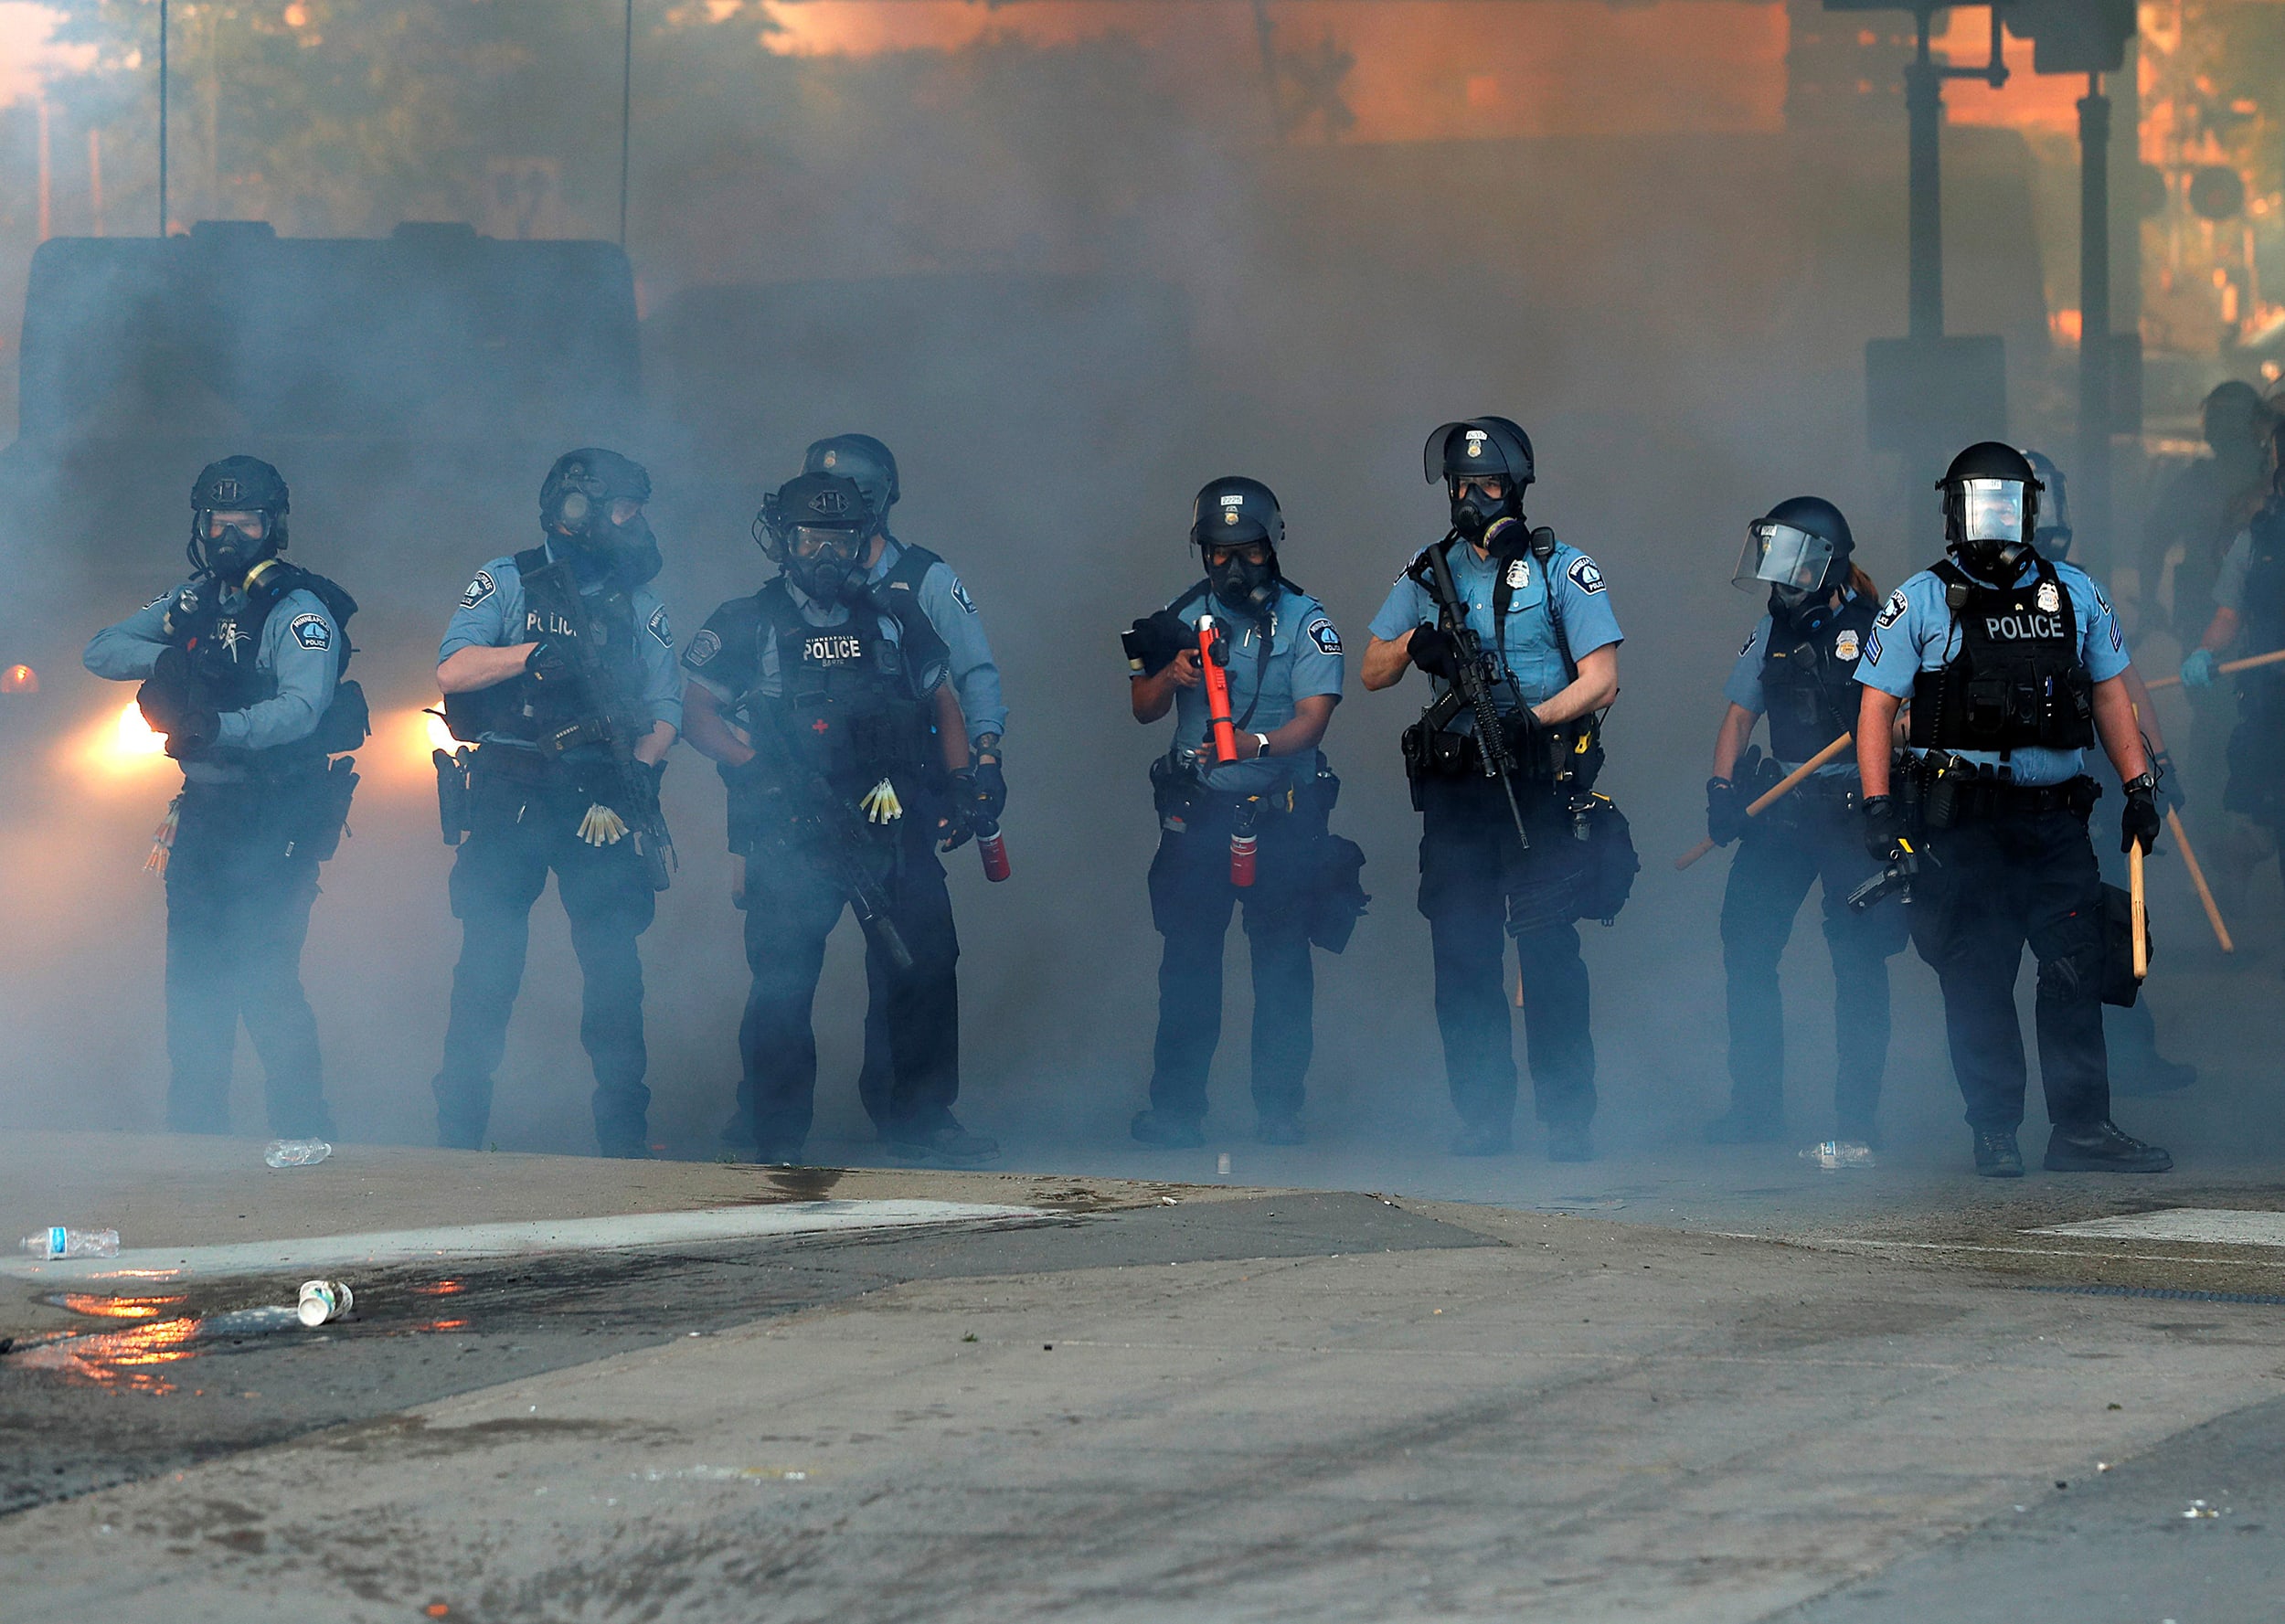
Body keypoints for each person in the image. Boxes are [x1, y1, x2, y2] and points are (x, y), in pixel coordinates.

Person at [1855, 441, 2173, 1176]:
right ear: (1951, 512)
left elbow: (2109, 693)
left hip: (2057, 822)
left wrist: (2137, 786)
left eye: (2006, 504)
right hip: (1965, 827)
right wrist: (1878, 805)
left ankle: (2081, 1128)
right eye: (1977, 504)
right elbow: (1875, 708)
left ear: (2030, 510)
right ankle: (1994, 1128)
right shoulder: (1921, 598)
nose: (1992, 520)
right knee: (1978, 977)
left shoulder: (2077, 594)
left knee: (2073, 970)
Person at [681, 470, 996, 1168]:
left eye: (842, 539)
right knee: (783, 976)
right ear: (784, 542)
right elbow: (696, 710)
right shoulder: (746, 619)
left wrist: (959, 781)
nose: (828, 554)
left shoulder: (893, 615)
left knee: (926, 958)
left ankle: (919, 1117)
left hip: (891, 817)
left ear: (863, 541)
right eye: (812, 539)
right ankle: (774, 1129)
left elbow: (941, 699)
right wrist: (749, 764)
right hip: (790, 825)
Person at [1363, 418, 1623, 1161]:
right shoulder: (1428, 569)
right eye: (1465, 485)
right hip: (1455, 797)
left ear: (1518, 488)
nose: (1476, 497)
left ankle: (1568, 1119)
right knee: (1463, 957)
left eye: (1492, 484)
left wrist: (1531, 722)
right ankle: (1482, 1116)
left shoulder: (1561, 568)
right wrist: (1418, 643)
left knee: (1547, 953)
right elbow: (1371, 669)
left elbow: (1604, 681)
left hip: (1534, 784)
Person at [83, 455, 366, 1140]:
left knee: (266, 984)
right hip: (204, 819)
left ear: (273, 528)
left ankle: (303, 1135)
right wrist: (173, 657)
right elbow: (102, 648)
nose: (229, 535)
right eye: (218, 520)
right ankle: (196, 1141)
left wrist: (222, 725)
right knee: (193, 987)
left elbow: (301, 708)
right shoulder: (193, 600)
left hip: (275, 818)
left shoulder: (300, 611)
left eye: (246, 521)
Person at [430, 449, 679, 1158]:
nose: (636, 524)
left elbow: (665, 707)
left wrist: (638, 773)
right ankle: (458, 1134)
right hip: (513, 787)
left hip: (598, 797)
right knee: (489, 964)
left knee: (612, 969)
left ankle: (625, 1138)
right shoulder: (507, 578)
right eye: (626, 509)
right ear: (580, 509)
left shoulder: (639, 603)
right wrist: (530, 655)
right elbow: (453, 665)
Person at [1121, 476, 1349, 1148]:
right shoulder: (1179, 615)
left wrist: (1257, 743)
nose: (1232, 566)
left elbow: (1314, 721)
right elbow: (1143, 706)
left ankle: (1280, 1111)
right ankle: (1177, 1112)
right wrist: (1172, 675)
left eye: (1246, 549)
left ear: (1271, 544)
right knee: (1188, 967)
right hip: (1200, 817)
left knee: (1281, 969)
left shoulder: (1309, 621)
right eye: (1217, 553)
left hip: (1282, 815)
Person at [1701, 497, 1906, 1152]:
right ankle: (1755, 1108)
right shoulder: (1770, 632)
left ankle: (1856, 1122)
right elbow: (1739, 716)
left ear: (1827, 564)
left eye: (1793, 564)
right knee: (1747, 942)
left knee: (1858, 958)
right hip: (1784, 812)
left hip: (1851, 809)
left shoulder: (1878, 627)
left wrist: (1884, 736)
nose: (1780, 580)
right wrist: (1722, 787)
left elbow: (1904, 721)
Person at [2024, 449, 2194, 1096]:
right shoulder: (1952, 595)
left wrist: (2153, 765)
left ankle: (2127, 1057)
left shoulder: (2076, 587)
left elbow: (2121, 683)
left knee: (2091, 926)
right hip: (2002, 798)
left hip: (2077, 779)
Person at [2181, 418, 2285, 952]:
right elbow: (2229, 613)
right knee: (2269, 807)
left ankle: (2241, 855)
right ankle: (2239, 858)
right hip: (2269, 700)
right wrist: (2206, 649)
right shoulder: (2258, 537)